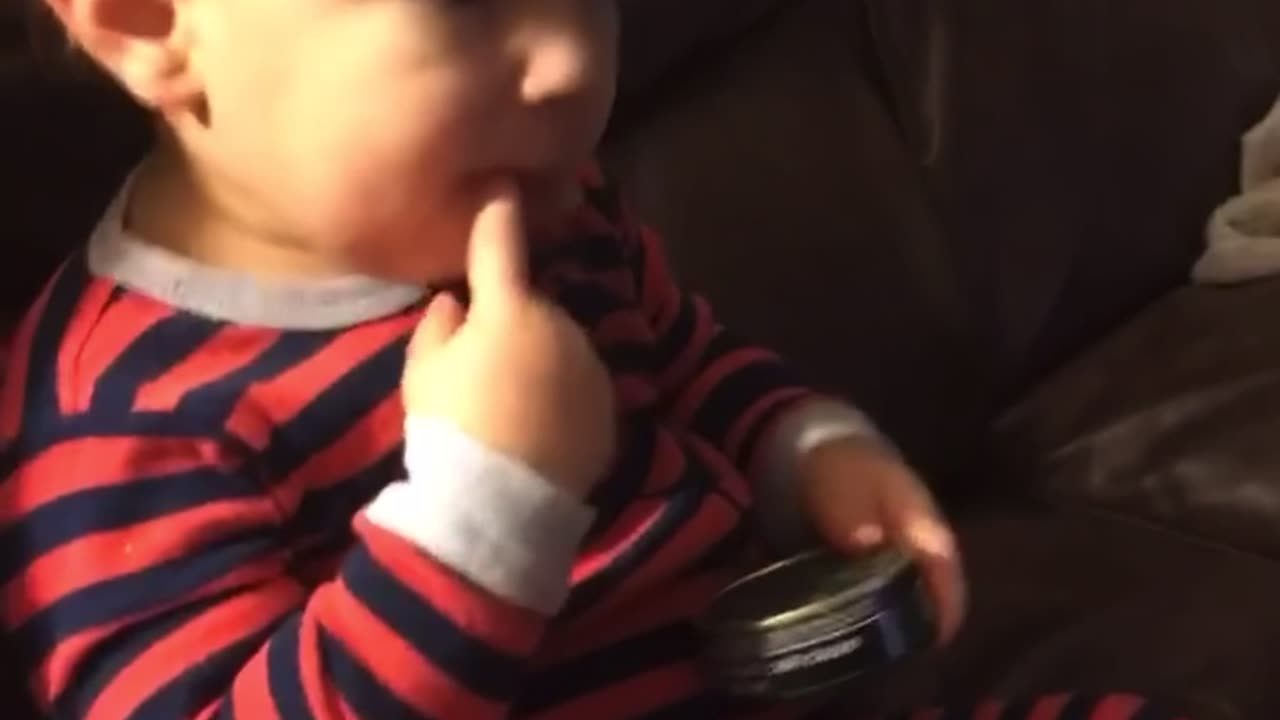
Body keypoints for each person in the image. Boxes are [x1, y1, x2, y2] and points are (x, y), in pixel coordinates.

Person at [0, 0, 1188, 717]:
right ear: (147, 19)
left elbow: (686, 357)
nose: (570, 61)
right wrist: (487, 514)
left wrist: (802, 445)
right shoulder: (119, 428)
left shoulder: (550, 209)